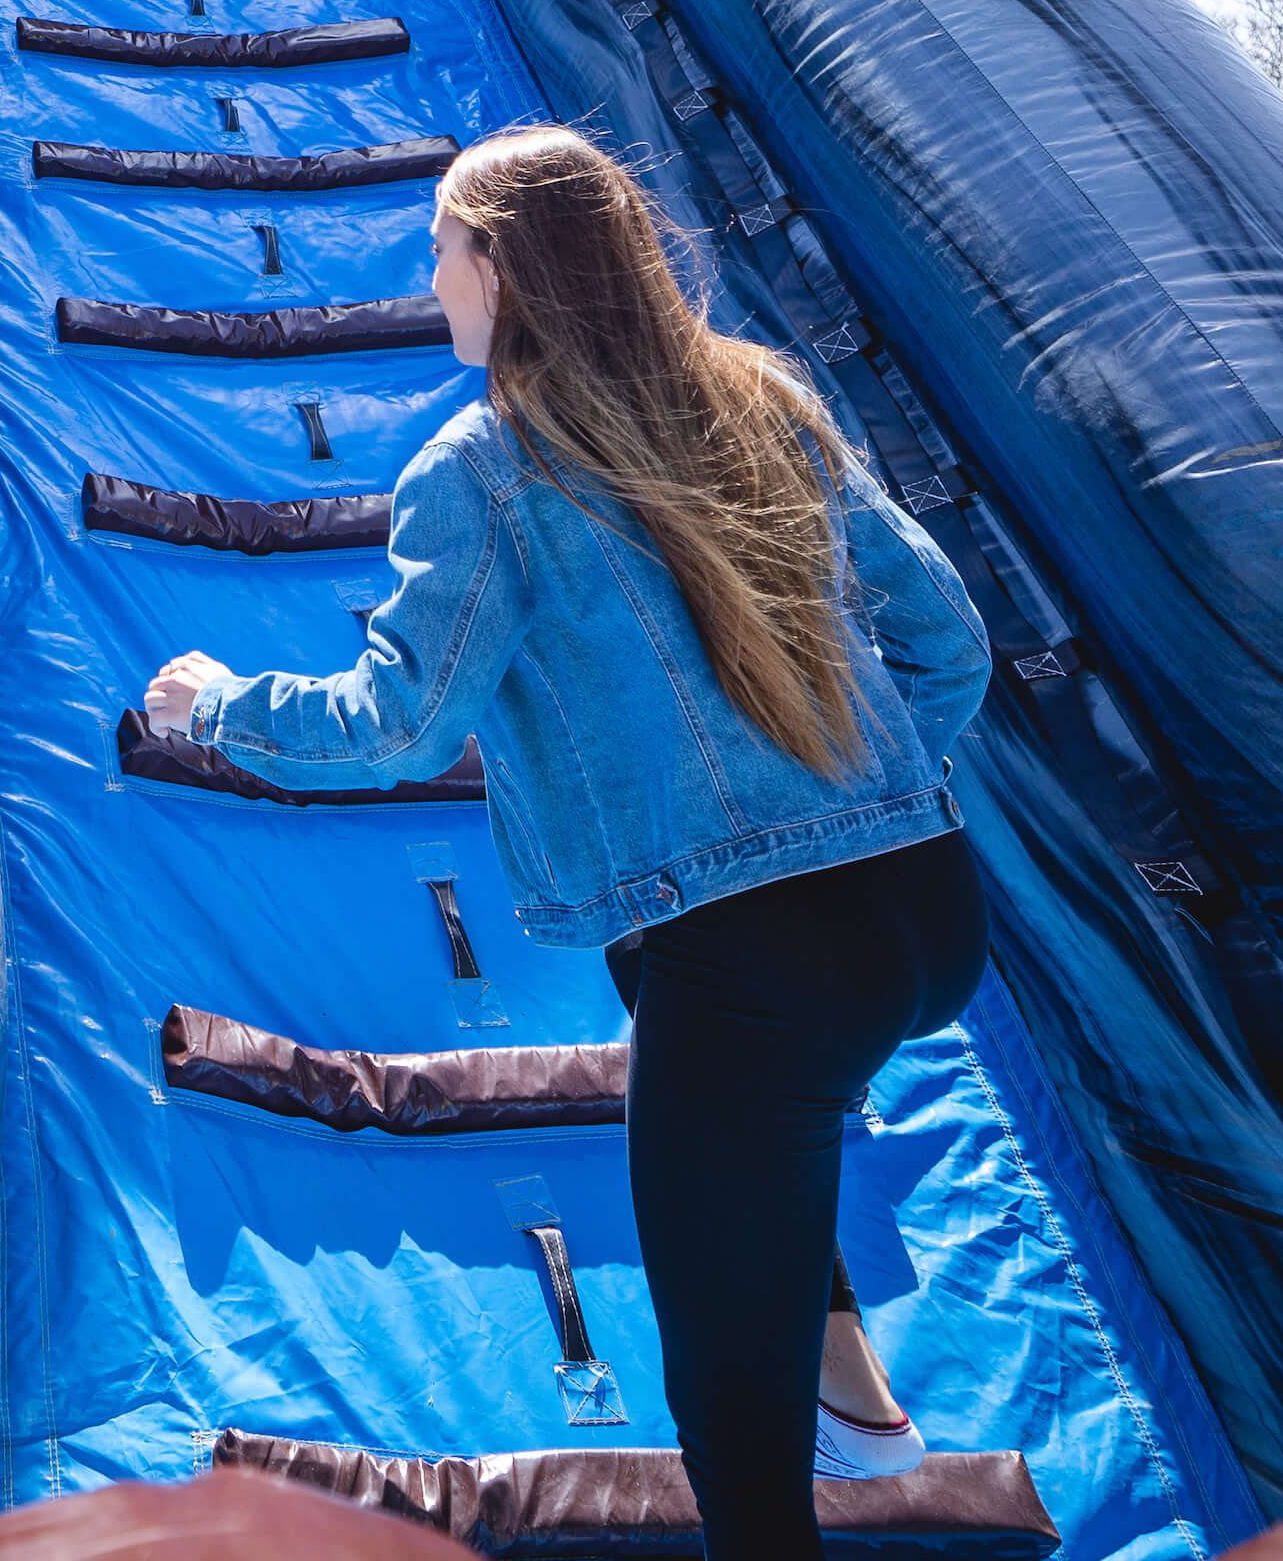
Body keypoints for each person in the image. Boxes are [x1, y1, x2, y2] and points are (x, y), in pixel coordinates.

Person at [140, 124, 993, 1561]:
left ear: (504, 265)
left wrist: (221, 709)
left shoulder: (484, 468)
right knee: (692, 1015)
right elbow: (947, 644)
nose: (431, 282)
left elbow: (403, 724)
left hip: (759, 964)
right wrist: (862, 801)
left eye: (441, 249)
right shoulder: (757, 402)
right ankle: (854, 1377)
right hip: (921, 911)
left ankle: (795, 1442)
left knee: (728, 1386)